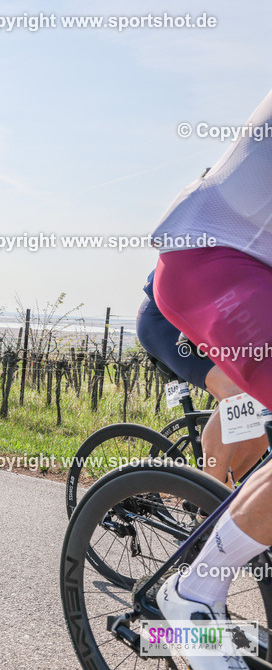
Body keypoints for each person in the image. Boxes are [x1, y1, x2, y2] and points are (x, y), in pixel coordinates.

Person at [149, 89, 272, 670]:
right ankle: (195, 587)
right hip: (205, 277)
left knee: (255, 428)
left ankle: (234, 516)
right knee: (238, 403)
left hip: (246, 276)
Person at [137, 269, 267, 486]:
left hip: (210, 321)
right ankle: (208, 504)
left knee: (264, 410)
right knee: (237, 393)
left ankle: (222, 490)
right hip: (168, 322)